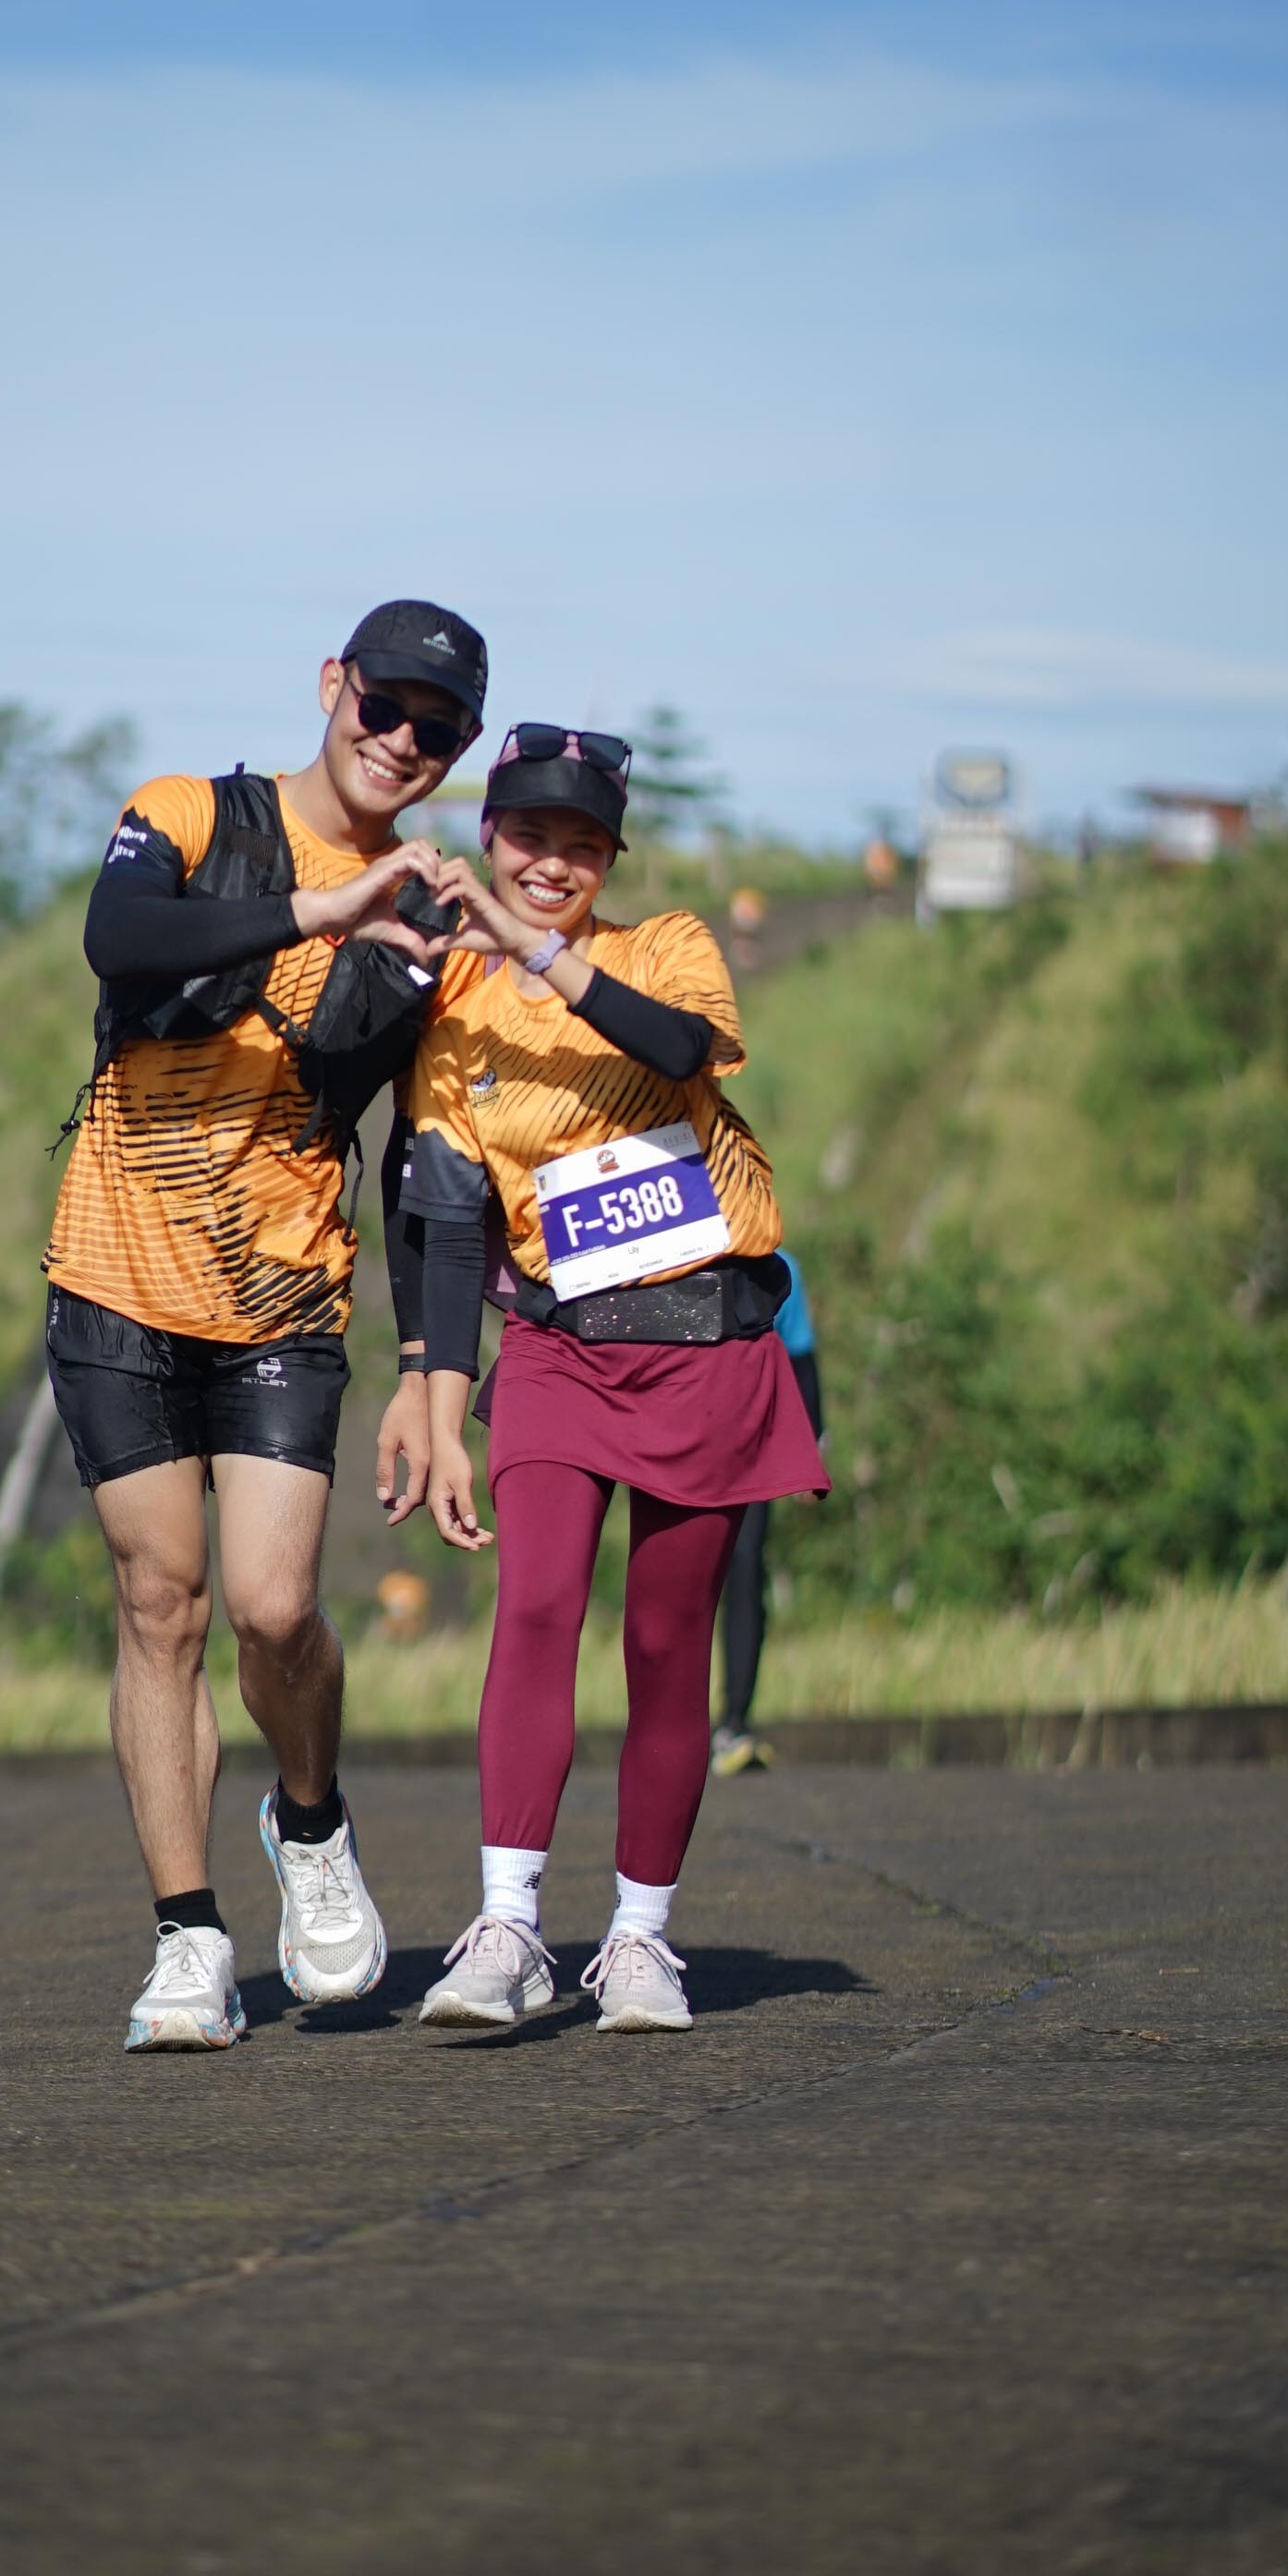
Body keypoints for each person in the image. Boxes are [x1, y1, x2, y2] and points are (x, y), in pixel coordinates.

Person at [43, 597, 490, 2049]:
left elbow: (432, 1164)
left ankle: (309, 1822)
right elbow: (118, 939)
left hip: (282, 1295)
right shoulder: (190, 815)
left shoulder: (436, 922)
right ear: (331, 685)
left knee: (276, 1607)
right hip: (116, 1275)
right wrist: (323, 909)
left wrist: (428, 1369)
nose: (402, 740)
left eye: (438, 731)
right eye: (385, 704)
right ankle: (187, 1939)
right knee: (158, 1600)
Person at [398, 724, 828, 2033]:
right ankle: (508, 1926)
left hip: (704, 1340)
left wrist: (535, 951)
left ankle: (639, 1939)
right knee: (535, 1608)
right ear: (487, 837)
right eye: (529, 837)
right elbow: (449, 1222)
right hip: (558, 1348)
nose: (552, 864)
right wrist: (440, 1413)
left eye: (583, 845)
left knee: (664, 1644)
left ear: (611, 860)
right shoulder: (451, 1012)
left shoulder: (667, 947)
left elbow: (681, 1050)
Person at [712, 1251, 825, 1776]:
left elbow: (802, 1359)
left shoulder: (781, 1267)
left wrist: (811, 1447)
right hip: (679, 1446)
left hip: (751, 1452)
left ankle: (734, 1721)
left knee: (745, 1574)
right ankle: (671, 1723)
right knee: (681, 1583)